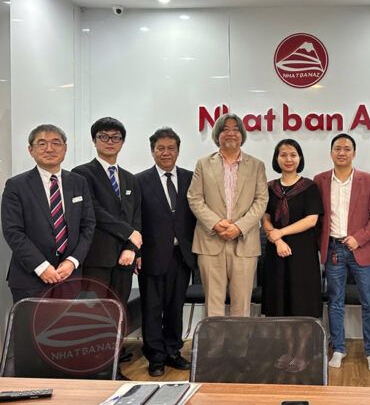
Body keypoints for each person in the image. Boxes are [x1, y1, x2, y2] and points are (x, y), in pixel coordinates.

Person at [72, 117, 142, 368]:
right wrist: (128, 233)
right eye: (104, 136)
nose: (110, 142)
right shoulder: (82, 174)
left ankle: (113, 360)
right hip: (97, 258)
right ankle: (97, 366)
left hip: (124, 258)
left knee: (118, 310)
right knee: (96, 313)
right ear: (94, 140)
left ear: (122, 142)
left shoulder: (130, 178)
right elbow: (94, 211)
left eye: (116, 137)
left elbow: (136, 216)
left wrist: (131, 248)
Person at [314, 133, 370, 372]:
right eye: (337, 148)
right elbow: (317, 217)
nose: (342, 152)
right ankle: (338, 348)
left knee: (369, 302)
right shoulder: (320, 180)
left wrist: (360, 237)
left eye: (347, 149)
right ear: (331, 152)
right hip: (333, 249)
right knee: (335, 302)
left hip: (360, 248)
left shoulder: (369, 180)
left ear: (354, 153)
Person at [1, 124, 95, 302]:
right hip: (30, 278)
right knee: (31, 322)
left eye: (56, 143)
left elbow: (88, 225)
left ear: (65, 148)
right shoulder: (16, 185)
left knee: (67, 321)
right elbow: (13, 231)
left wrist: (73, 261)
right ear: (31, 150)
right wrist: (41, 266)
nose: (49, 149)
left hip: (70, 276)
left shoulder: (79, 182)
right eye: (42, 143)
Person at [188, 113, 268, 317]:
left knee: (241, 306)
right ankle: (214, 341)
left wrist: (239, 227)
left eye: (235, 129)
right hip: (210, 242)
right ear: (217, 135)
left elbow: (261, 201)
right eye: (225, 129)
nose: (230, 133)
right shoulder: (203, 164)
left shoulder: (256, 165)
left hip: (244, 243)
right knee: (213, 305)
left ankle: (239, 341)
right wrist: (216, 223)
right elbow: (194, 198)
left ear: (242, 135)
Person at [136, 128, 196, 377]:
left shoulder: (191, 178)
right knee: (152, 307)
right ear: (152, 151)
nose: (166, 152)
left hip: (181, 254)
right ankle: (155, 356)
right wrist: (135, 251)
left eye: (171, 148)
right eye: (160, 148)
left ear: (178, 151)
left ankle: (172, 350)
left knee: (175, 306)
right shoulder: (139, 180)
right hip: (151, 255)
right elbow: (135, 219)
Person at [261, 139, 323, 373]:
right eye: (283, 154)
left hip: (302, 254)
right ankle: (288, 350)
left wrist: (281, 233)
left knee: (302, 303)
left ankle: (302, 353)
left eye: (293, 154)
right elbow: (265, 217)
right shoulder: (269, 187)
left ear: (300, 158)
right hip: (277, 253)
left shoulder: (310, 187)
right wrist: (277, 240)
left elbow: (311, 220)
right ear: (276, 158)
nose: (288, 159)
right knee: (281, 303)